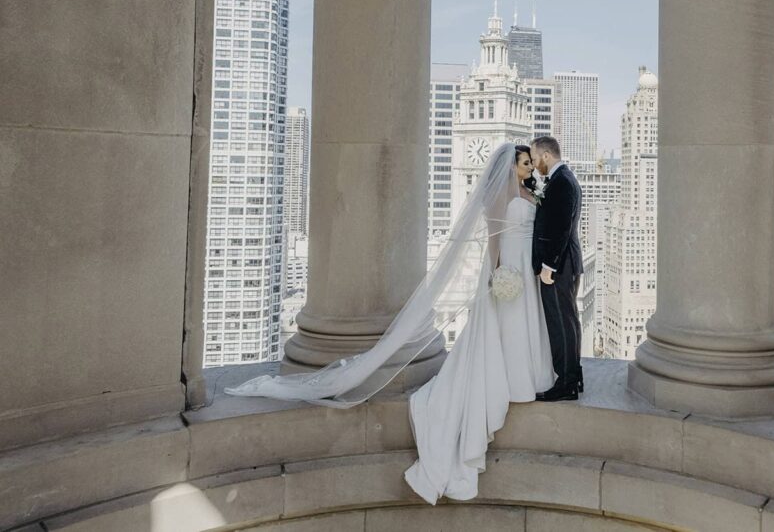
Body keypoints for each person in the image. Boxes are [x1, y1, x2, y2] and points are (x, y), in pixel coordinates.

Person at [224, 142, 555, 504]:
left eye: (529, 163)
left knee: (520, 328)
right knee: (500, 330)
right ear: (511, 166)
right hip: (507, 268)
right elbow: (493, 239)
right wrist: (496, 274)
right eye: (524, 163)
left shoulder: (529, 191)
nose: (529, 167)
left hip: (525, 268)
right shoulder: (499, 197)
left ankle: (522, 378)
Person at [530, 136, 585, 401]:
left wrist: (549, 266)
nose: (534, 163)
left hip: (559, 265)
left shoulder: (562, 181)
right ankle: (573, 376)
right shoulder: (564, 178)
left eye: (535, 157)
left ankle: (565, 384)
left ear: (546, 156)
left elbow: (561, 228)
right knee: (570, 321)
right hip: (566, 263)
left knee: (560, 323)